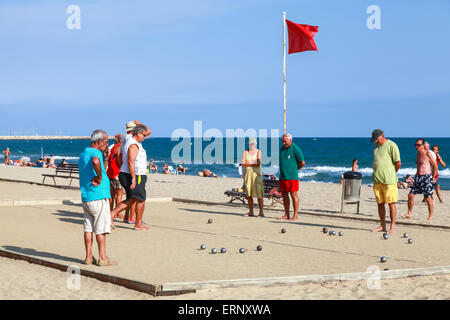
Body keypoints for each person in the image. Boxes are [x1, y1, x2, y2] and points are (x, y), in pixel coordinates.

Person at [78, 129, 117, 266]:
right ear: (98, 141)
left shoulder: (84, 152)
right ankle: (103, 257)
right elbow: (95, 161)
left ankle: (88, 256)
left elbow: (98, 165)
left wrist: (104, 158)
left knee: (88, 227)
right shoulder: (95, 153)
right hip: (98, 195)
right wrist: (100, 177)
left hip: (87, 195)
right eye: (106, 141)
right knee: (101, 228)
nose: (107, 144)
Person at [111, 125, 152, 231]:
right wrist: (133, 178)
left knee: (133, 198)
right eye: (143, 135)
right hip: (136, 175)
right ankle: (137, 224)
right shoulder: (133, 144)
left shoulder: (127, 139)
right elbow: (130, 161)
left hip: (128, 173)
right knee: (140, 199)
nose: (145, 137)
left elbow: (121, 157)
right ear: (138, 134)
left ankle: (112, 215)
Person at [370, 129, 401, 234]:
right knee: (380, 203)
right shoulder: (376, 146)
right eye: (375, 140)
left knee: (391, 203)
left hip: (389, 181)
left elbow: (398, 163)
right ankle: (382, 225)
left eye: (377, 139)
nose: (376, 142)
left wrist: (392, 173)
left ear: (382, 135)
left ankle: (392, 226)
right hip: (377, 179)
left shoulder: (392, 145)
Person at [402, 139, 438, 221]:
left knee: (428, 197)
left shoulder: (428, 153)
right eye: (415, 145)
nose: (416, 147)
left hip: (426, 178)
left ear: (423, 145)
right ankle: (409, 213)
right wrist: (416, 174)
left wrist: (432, 177)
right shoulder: (418, 154)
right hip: (418, 178)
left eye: (418, 145)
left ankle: (430, 215)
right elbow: (420, 166)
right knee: (410, 195)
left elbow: (435, 166)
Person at [277, 133, 305, 221]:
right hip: (283, 176)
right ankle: (286, 214)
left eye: (285, 141)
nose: (283, 143)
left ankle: (295, 214)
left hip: (292, 177)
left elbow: (302, 162)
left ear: (290, 140)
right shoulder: (282, 149)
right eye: (282, 141)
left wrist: (295, 169)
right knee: (284, 195)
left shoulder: (295, 148)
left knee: (293, 194)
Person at [241, 137, 264, 217]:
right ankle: (251, 212)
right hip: (248, 175)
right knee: (249, 194)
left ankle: (261, 212)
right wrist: (251, 163)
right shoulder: (245, 152)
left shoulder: (258, 152)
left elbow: (258, 164)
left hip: (256, 176)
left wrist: (248, 163)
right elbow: (243, 163)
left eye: (253, 144)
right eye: (250, 144)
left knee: (258, 194)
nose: (251, 145)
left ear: (255, 144)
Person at [107, 133, 125, 212]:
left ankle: (110, 211)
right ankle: (117, 213)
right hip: (116, 173)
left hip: (110, 173)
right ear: (121, 140)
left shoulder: (112, 147)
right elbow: (120, 161)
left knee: (112, 194)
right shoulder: (119, 147)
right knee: (120, 193)